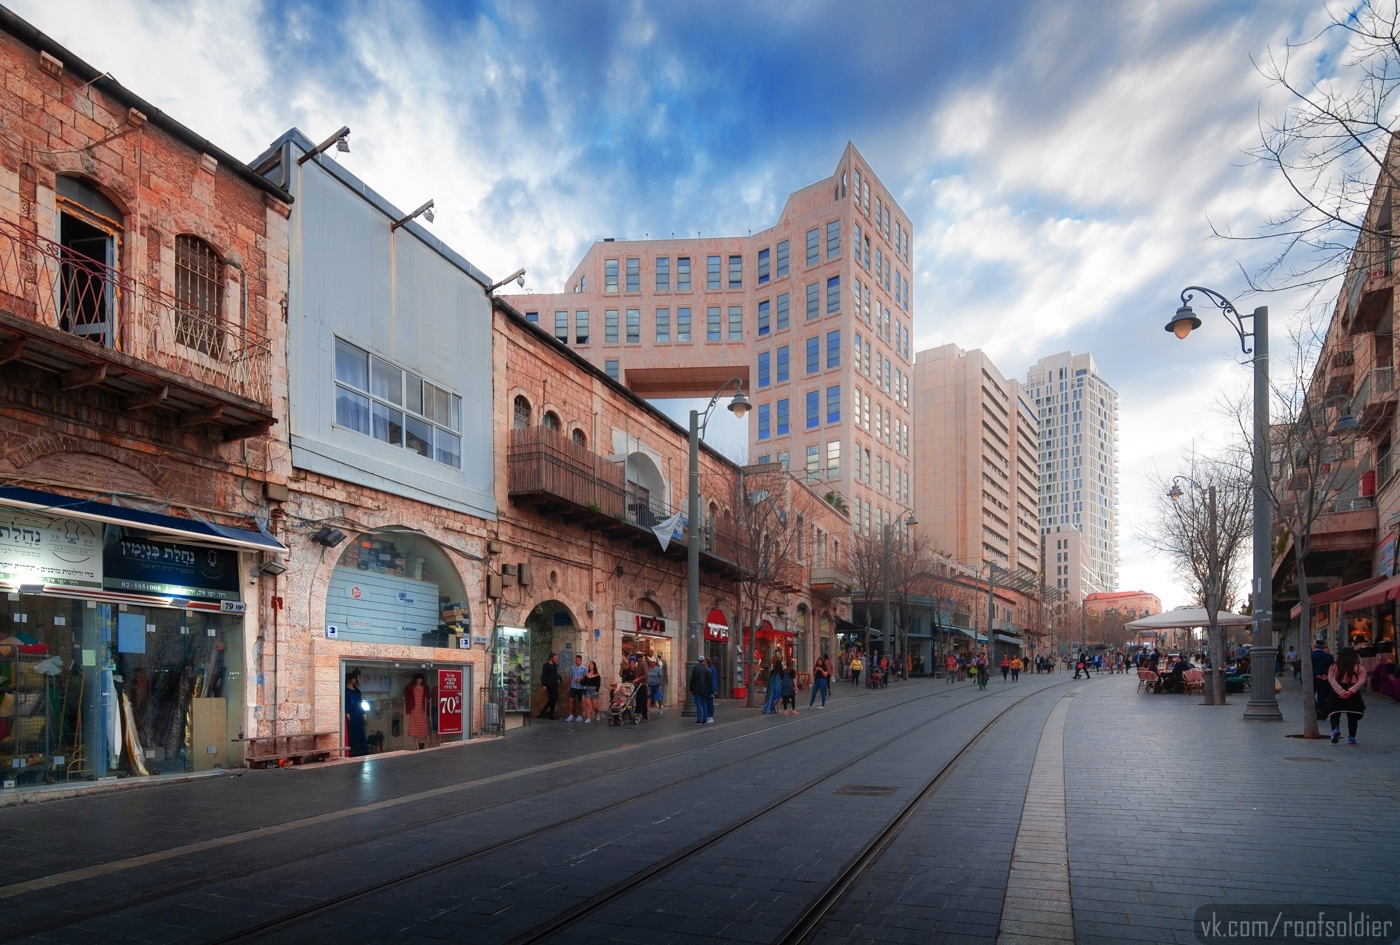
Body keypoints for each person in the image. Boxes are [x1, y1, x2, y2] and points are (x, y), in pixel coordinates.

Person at [1326, 647, 1368, 744]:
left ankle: (1335, 729)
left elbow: (1332, 680)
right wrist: (1350, 691)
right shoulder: (1359, 667)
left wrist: (1341, 692)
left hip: (1336, 693)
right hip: (1353, 694)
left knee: (1335, 714)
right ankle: (1352, 737)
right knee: (1352, 716)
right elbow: (1361, 680)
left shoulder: (1334, 666)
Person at [345, 670, 369, 758]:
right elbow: (345, 702)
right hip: (351, 711)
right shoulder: (346, 690)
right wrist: (346, 712)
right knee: (353, 731)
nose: (355, 680)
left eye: (355, 678)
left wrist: (363, 712)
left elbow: (360, 702)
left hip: (358, 711)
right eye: (353, 678)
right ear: (349, 679)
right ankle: (354, 751)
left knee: (360, 730)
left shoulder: (357, 690)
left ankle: (362, 751)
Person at [404, 672, 432, 749]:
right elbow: (407, 699)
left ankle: (430, 747)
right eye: (418, 678)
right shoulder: (410, 688)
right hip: (414, 710)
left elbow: (428, 699)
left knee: (425, 729)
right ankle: (417, 748)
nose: (419, 680)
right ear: (415, 679)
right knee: (414, 729)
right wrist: (408, 708)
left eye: (421, 678)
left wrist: (428, 709)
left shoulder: (425, 687)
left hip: (423, 709)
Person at [1311, 640, 1334, 723]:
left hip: (1313, 679)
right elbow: (1331, 668)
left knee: (1310, 695)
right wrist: (1325, 675)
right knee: (1322, 696)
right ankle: (1321, 710)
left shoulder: (1310, 655)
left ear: (1314, 646)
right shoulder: (1329, 656)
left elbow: (1308, 667)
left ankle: (1317, 708)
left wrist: (1317, 674)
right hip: (1325, 679)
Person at [689, 655, 713, 724]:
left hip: (696, 689)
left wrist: (690, 689)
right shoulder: (708, 670)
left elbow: (692, 680)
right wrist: (710, 691)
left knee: (698, 704)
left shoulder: (696, 668)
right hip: (705, 690)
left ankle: (699, 719)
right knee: (704, 704)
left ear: (698, 661)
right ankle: (705, 718)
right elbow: (710, 682)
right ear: (704, 661)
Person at [539, 652, 561, 720]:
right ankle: (550, 714)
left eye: (556, 658)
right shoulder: (546, 665)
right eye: (555, 658)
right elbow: (543, 675)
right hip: (549, 684)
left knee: (554, 699)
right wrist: (544, 685)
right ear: (551, 658)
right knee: (552, 698)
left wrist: (559, 677)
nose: (556, 659)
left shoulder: (554, 665)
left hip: (555, 684)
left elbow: (554, 674)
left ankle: (545, 711)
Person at [566, 654, 586, 722]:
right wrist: (569, 686)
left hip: (580, 687)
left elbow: (586, 678)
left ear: (581, 661)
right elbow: (571, 676)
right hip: (573, 686)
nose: (577, 662)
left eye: (578, 660)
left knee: (579, 701)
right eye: (576, 660)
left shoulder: (584, 668)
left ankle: (579, 715)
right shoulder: (572, 667)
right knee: (570, 699)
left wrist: (580, 679)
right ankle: (571, 715)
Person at [707, 657, 719, 723]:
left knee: (709, 703)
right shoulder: (713, 669)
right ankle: (709, 716)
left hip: (710, 688)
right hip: (713, 687)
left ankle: (710, 716)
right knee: (710, 703)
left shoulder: (710, 669)